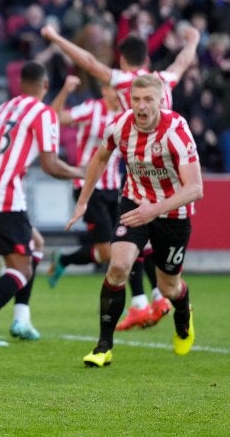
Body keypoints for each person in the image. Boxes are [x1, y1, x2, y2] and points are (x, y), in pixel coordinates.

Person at [67, 74, 202, 367]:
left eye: (148, 100)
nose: (141, 106)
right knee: (117, 266)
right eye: (136, 99)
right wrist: (83, 199)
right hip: (134, 203)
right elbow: (100, 157)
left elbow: (195, 188)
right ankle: (103, 346)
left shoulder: (176, 130)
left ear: (161, 100)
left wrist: (155, 210)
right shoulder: (120, 126)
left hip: (173, 212)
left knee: (169, 288)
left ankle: (182, 314)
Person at [0, 61, 84, 347]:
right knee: (21, 268)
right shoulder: (42, 114)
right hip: (3, 193)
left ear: (20, 84)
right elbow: (51, 165)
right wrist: (83, 171)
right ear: (44, 85)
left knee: (35, 244)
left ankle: (21, 320)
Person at [48, 75, 172, 329]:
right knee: (110, 251)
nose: (117, 94)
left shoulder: (131, 114)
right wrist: (65, 89)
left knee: (130, 244)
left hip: (116, 189)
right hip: (89, 187)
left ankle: (147, 301)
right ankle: (65, 261)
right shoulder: (91, 109)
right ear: (104, 90)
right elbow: (54, 117)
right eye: (111, 89)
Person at [40, 23, 200, 111]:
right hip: (169, 159)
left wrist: (56, 38)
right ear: (146, 60)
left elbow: (89, 63)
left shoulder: (124, 81)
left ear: (122, 61)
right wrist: (193, 39)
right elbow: (182, 62)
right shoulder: (164, 79)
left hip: (142, 161)